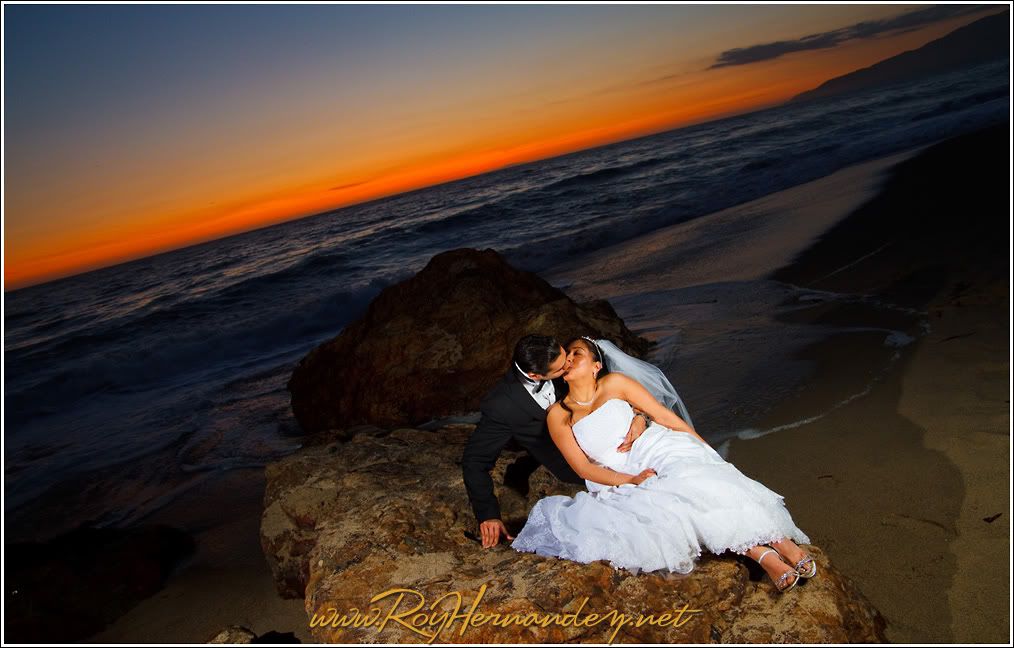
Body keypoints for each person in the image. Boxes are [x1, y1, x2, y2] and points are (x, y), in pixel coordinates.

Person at [510, 336, 817, 593]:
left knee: (698, 478)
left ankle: (780, 540)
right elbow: (582, 468)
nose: (569, 358)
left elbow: (663, 415)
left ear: (596, 365)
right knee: (669, 505)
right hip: (614, 474)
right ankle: (761, 552)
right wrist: (628, 480)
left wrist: (704, 447)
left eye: (577, 353)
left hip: (654, 446)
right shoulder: (558, 414)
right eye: (567, 354)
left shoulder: (615, 383)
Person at [461, 334, 652, 549]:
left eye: (568, 357)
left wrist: (640, 416)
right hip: (578, 467)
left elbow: (615, 393)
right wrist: (488, 515)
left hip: (621, 440)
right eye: (562, 368)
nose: (569, 364)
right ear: (535, 375)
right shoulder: (502, 405)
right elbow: (475, 461)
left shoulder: (563, 357)